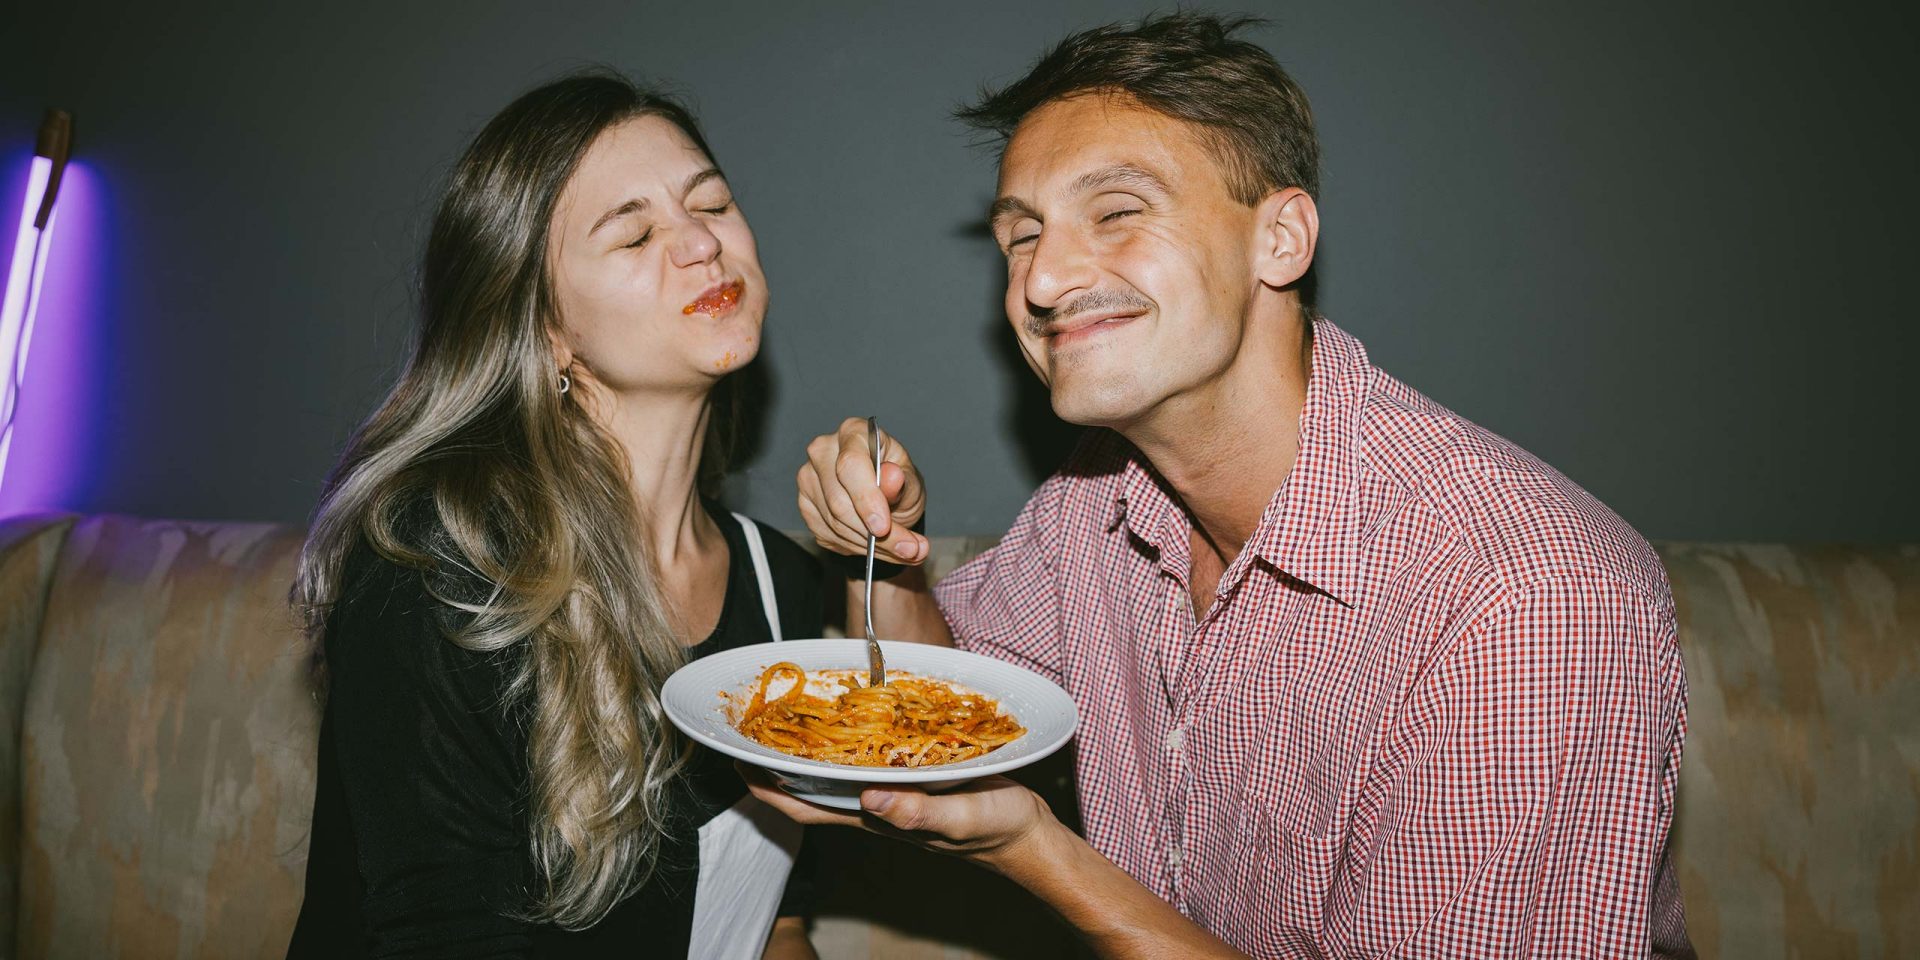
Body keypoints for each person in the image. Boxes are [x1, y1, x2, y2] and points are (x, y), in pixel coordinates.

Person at [763, 13, 1691, 959]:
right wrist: (881, 542)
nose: (1041, 280)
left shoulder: (1529, 601)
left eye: (1117, 211)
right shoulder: (1094, 505)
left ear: (1279, 240)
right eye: (1021, 237)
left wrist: (1035, 850)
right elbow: (938, 703)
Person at [287, 72, 821, 959]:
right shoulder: (439, 576)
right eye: (636, 232)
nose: (699, 243)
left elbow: (777, 927)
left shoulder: (782, 584)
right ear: (547, 329)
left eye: (712, 203)